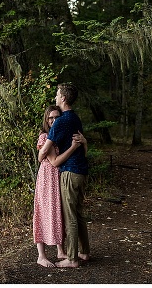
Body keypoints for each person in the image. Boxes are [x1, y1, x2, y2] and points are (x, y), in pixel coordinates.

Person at [39, 83, 90, 268]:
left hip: (69, 171)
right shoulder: (75, 118)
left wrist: (42, 148)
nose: (55, 97)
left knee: (70, 217)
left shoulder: (61, 121)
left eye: (57, 94)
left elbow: (44, 151)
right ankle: (84, 252)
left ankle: (72, 258)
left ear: (63, 98)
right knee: (79, 213)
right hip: (81, 171)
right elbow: (82, 146)